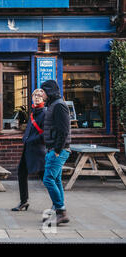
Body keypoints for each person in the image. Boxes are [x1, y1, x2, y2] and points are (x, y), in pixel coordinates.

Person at [41, 80, 71, 226]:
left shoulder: (59, 105)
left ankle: (61, 210)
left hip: (58, 150)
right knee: (56, 179)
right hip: (54, 149)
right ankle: (57, 208)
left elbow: (63, 130)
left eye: (43, 91)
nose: (42, 94)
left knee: (48, 179)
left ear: (50, 91)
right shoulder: (53, 105)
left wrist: (58, 150)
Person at [12, 88, 46, 212]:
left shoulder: (44, 113)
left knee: (46, 179)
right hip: (28, 149)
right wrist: (25, 137)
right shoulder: (33, 113)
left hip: (38, 151)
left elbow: (45, 134)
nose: (37, 97)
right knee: (21, 173)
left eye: (39, 96)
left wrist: (30, 139)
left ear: (43, 99)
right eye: (35, 95)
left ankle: (58, 204)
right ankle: (23, 201)